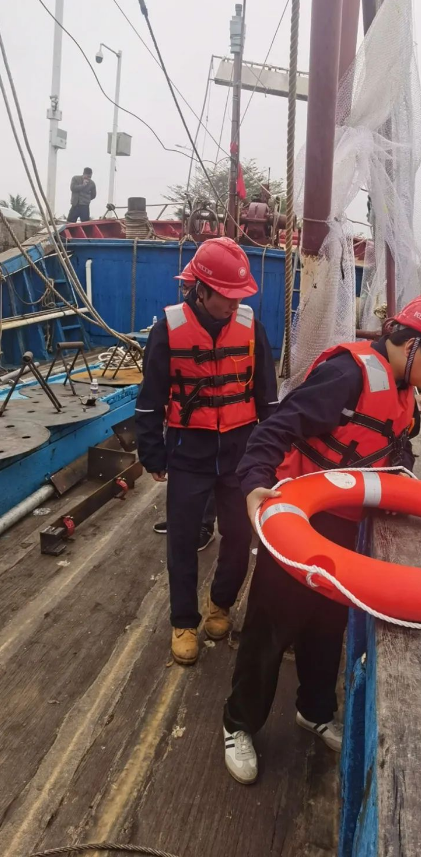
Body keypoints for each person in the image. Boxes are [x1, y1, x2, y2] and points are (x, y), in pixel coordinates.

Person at [222, 292, 421, 783]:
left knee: (326, 628)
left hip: (347, 529)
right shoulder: (347, 374)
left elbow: (394, 457)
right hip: (300, 526)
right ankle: (239, 725)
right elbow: (277, 429)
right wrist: (253, 485)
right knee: (271, 632)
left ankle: (314, 712)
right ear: (414, 344)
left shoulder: (404, 390)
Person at [136, 238, 278, 666]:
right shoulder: (168, 328)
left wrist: (269, 454)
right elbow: (150, 398)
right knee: (182, 539)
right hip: (188, 451)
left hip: (240, 450)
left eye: (240, 296)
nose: (235, 304)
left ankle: (220, 604)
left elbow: (267, 397)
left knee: (239, 534)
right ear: (202, 290)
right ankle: (183, 621)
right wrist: (153, 454)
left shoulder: (251, 326)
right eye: (227, 297)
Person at [152, 262, 216, 551]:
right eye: (185, 286)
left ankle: (205, 524)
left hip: (217, 426)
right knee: (183, 484)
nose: (185, 290)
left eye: (188, 285)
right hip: (182, 424)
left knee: (212, 477)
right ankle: (182, 521)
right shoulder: (172, 326)